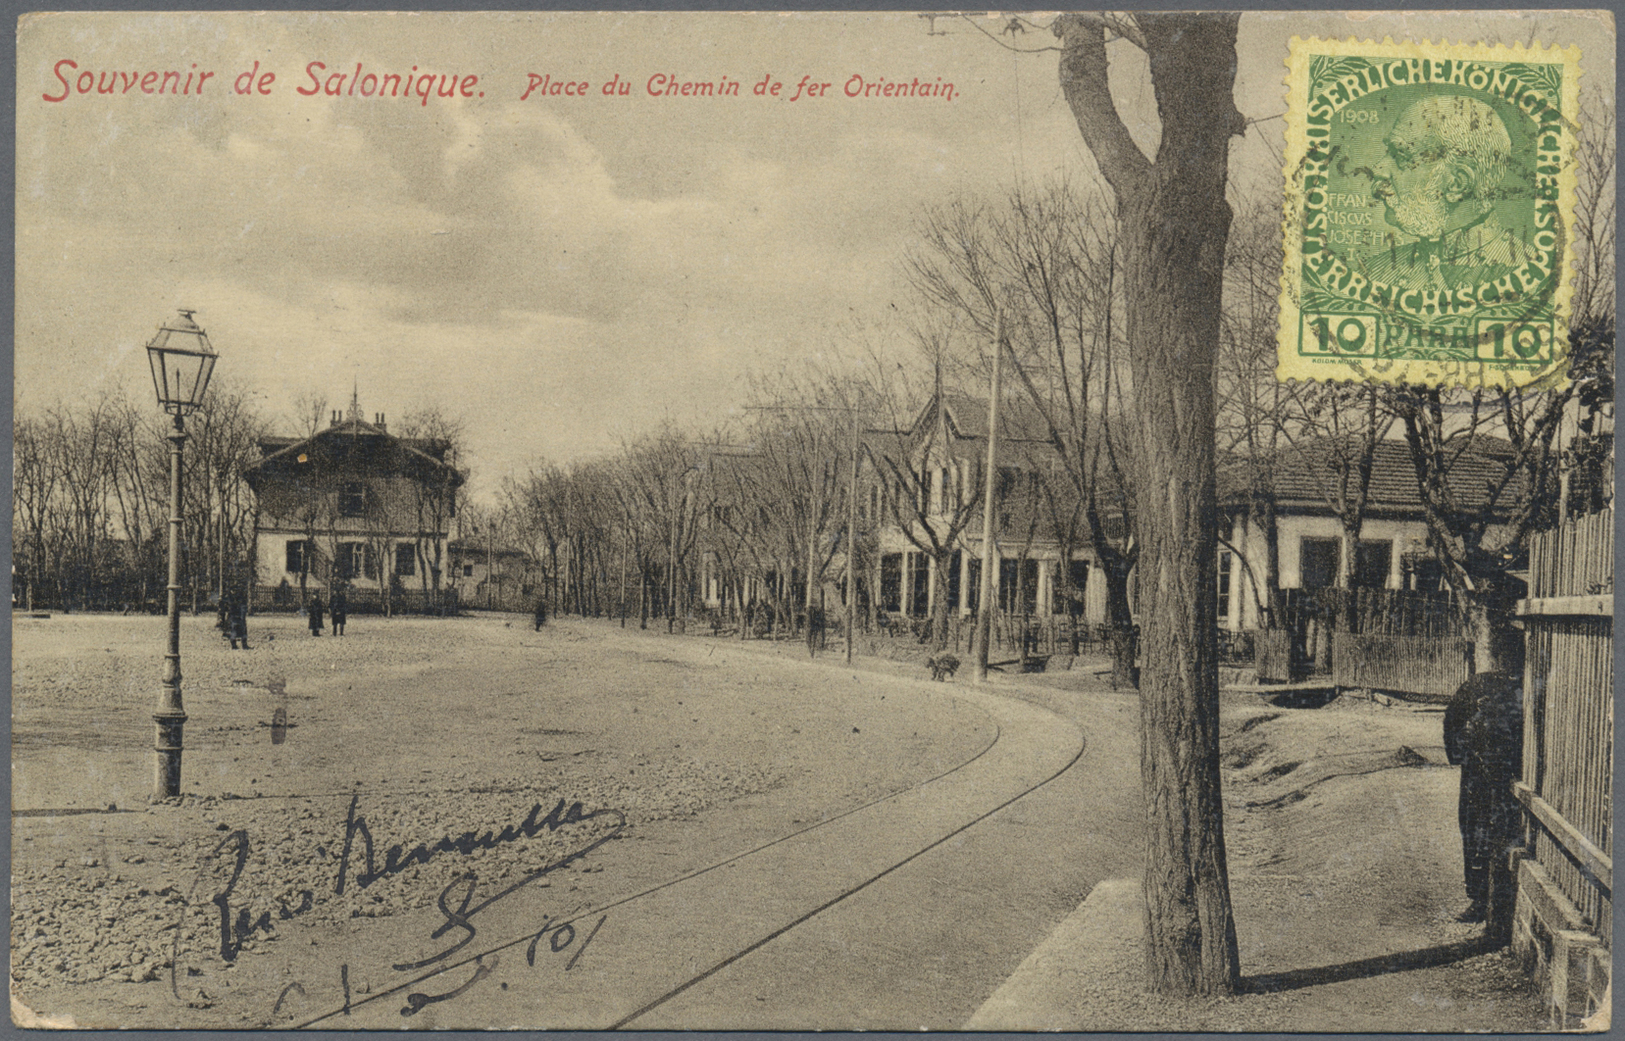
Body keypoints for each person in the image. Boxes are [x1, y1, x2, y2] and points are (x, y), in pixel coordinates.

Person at [1358, 95, 1535, 292]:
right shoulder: (1374, 272)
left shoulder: (1530, 274)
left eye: (1401, 156)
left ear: (1457, 184)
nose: (1377, 168)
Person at [1443, 622, 1526, 941]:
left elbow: (1451, 723)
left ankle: (1489, 900)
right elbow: (1452, 721)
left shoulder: (1525, 688)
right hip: (1484, 774)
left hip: (1502, 775)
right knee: (1478, 829)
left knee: (1491, 831)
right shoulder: (1478, 686)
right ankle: (1480, 898)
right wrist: (1463, 755)